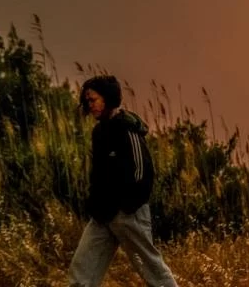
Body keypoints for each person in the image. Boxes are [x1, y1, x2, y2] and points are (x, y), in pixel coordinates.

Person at [68, 75, 178, 286]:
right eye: (87, 101)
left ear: (108, 98)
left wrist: (127, 206)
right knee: (81, 273)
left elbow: (142, 172)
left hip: (129, 215)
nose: (90, 105)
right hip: (102, 216)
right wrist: (95, 204)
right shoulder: (98, 132)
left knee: (153, 271)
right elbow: (98, 173)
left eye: (94, 99)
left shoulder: (127, 128)